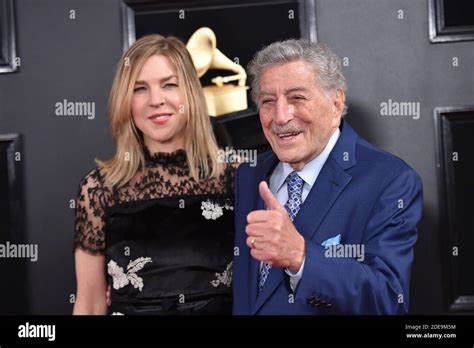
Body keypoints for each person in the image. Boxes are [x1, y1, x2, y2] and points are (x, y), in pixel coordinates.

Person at [232, 39, 423, 315]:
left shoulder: (391, 181)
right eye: (268, 101)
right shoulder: (249, 175)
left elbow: (389, 302)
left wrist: (301, 256)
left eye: (297, 98)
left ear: (336, 104)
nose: (281, 116)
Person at [73, 34, 236, 315]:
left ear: (190, 93)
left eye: (169, 85)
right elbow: (89, 303)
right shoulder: (98, 189)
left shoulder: (235, 176)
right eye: (140, 89)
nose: (156, 100)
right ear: (126, 101)